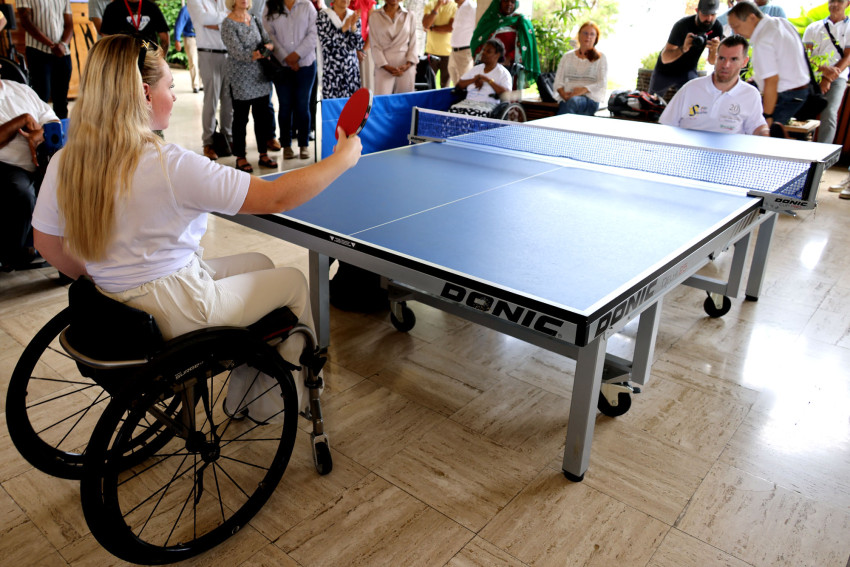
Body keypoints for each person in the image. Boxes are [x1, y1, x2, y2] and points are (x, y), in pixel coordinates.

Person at [32, 34, 361, 419]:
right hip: (177, 310)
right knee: (293, 282)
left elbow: (46, 243)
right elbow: (276, 198)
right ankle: (270, 406)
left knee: (259, 263)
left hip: (116, 307)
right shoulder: (170, 164)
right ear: (144, 93)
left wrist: (109, 277)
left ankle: (248, 390)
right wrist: (342, 160)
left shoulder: (66, 160)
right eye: (170, 86)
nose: (174, 96)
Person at [0, 63, 59, 270]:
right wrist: (22, 120)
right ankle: (14, 253)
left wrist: (40, 133)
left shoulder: (21, 89)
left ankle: (66, 253)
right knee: (21, 191)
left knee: (73, 180)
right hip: (7, 165)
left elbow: (52, 120)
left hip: (43, 160)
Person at [660, 35, 769, 136]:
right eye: (722, 58)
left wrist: (766, 132)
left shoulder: (750, 94)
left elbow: (756, 127)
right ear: (716, 58)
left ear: (744, 62)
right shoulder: (691, 88)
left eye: (734, 59)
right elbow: (667, 124)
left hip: (728, 151)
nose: (726, 65)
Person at [727, 1, 811, 127]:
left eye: (736, 26)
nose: (736, 32)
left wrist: (767, 116)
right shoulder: (781, 22)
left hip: (784, 96)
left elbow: (771, 81)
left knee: (763, 132)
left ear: (752, 18)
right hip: (799, 92)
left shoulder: (764, 39)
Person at [221, 0, 278, 172]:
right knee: (241, 119)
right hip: (240, 79)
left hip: (260, 77)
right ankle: (240, 157)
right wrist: (262, 52)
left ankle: (263, 154)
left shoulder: (254, 18)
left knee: (262, 118)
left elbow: (269, 42)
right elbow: (239, 53)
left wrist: (264, 50)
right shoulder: (227, 24)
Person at [264, 0, 317, 160]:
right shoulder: (270, 6)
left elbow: (314, 33)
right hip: (281, 66)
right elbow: (269, 34)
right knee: (285, 106)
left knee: (303, 105)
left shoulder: (307, 5)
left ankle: (303, 144)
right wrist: (286, 57)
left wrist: (297, 55)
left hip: (306, 64)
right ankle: (286, 145)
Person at [187, 0, 234, 161]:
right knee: (211, 100)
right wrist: (225, 18)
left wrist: (217, 21)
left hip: (228, 54)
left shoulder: (224, 1)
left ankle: (228, 138)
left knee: (228, 101)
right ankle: (208, 142)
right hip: (208, 53)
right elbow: (203, 19)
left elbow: (234, 20)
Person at [650, 0, 723, 97]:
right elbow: (665, 58)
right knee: (651, 101)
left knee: (693, 102)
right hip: (666, 70)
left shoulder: (717, 28)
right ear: (697, 11)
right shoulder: (682, 25)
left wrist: (715, 50)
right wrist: (683, 49)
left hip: (688, 71)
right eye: (705, 14)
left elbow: (712, 61)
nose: (709, 18)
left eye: (713, 14)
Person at [803, 0, 850, 145]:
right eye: (832, 0)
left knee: (829, 113)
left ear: (847, 3)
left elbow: (848, 56)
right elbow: (806, 56)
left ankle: (823, 153)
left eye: (840, 1)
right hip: (812, 76)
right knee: (803, 112)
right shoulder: (813, 27)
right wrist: (823, 70)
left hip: (838, 78)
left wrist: (828, 78)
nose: (835, 4)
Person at [17, 0, 73, 119]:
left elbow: (69, 23)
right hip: (38, 51)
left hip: (62, 52)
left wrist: (63, 44)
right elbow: (26, 22)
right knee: (42, 96)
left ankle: (61, 127)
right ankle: (40, 128)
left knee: (61, 99)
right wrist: (51, 45)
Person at [470, 0, 540, 89]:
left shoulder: (520, 21)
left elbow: (525, 46)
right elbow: (478, 42)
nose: (509, 4)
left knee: (508, 94)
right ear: (499, 2)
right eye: (506, 1)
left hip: (511, 68)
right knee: (488, 92)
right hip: (489, 66)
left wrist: (509, 58)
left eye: (512, 2)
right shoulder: (489, 20)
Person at [553, 21, 607, 116]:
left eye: (592, 34)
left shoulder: (600, 58)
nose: (588, 36)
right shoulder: (567, 57)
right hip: (568, 97)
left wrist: (583, 90)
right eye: (585, 33)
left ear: (596, 38)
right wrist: (563, 94)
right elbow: (558, 81)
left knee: (573, 102)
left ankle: (558, 125)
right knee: (570, 103)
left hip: (590, 99)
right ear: (579, 35)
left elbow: (601, 83)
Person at [448, 37, 511, 116]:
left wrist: (488, 80)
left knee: (474, 114)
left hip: (488, 105)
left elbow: (506, 94)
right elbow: (459, 85)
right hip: (468, 102)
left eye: (488, 51)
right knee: (453, 110)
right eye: (484, 50)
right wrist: (475, 79)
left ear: (497, 55)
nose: (483, 53)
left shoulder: (503, 73)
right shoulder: (476, 69)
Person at [317, 0, 365, 100]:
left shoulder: (353, 16)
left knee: (352, 107)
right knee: (333, 107)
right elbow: (327, 44)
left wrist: (353, 27)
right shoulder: (323, 16)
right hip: (332, 72)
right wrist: (344, 28)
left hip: (351, 72)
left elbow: (358, 45)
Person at [369, 0, 418, 95]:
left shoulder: (410, 15)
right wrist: (386, 66)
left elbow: (414, 42)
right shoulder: (375, 16)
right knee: (382, 100)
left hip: (405, 66)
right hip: (383, 66)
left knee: (405, 100)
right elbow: (374, 45)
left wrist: (408, 65)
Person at [100, 0, 170, 47]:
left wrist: (162, 57)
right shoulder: (112, 8)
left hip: (148, 54)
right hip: (123, 55)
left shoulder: (152, 7)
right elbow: (105, 36)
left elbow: (164, 37)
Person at [422, 0, 456, 88]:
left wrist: (432, 28)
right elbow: (426, 25)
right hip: (430, 52)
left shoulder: (455, 6)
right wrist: (437, 6)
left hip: (448, 54)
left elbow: (450, 28)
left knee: (445, 87)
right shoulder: (430, 5)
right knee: (427, 85)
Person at [174, 4, 201, 93]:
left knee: (202, 61)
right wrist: (177, 40)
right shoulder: (186, 10)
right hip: (190, 38)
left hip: (202, 38)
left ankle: (201, 83)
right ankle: (196, 85)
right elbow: (179, 24)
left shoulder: (202, 7)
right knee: (193, 61)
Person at [448, 0, 475, 86]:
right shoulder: (459, 8)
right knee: (455, 84)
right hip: (454, 51)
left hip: (465, 52)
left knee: (465, 84)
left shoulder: (472, 7)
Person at [351, 0, 377, 90]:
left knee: (367, 85)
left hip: (365, 49)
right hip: (347, 51)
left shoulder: (368, 2)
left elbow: (374, 29)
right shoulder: (341, 2)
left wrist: (363, 50)